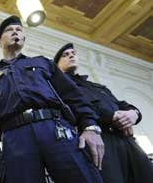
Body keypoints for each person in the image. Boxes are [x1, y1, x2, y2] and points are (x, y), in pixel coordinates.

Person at [0, 15, 104, 183]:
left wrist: (90, 127)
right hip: (14, 136)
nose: (15, 32)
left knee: (81, 177)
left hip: (55, 128)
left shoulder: (43, 63)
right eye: (9, 30)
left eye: (19, 30)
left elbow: (72, 95)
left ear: (24, 38)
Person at [55, 42, 153, 183]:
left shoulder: (98, 86)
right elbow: (75, 107)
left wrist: (134, 114)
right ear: (57, 65)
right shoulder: (59, 86)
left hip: (126, 139)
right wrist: (112, 115)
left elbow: (122, 104)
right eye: (65, 55)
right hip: (99, 139)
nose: (71, 55)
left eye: (73, 53)